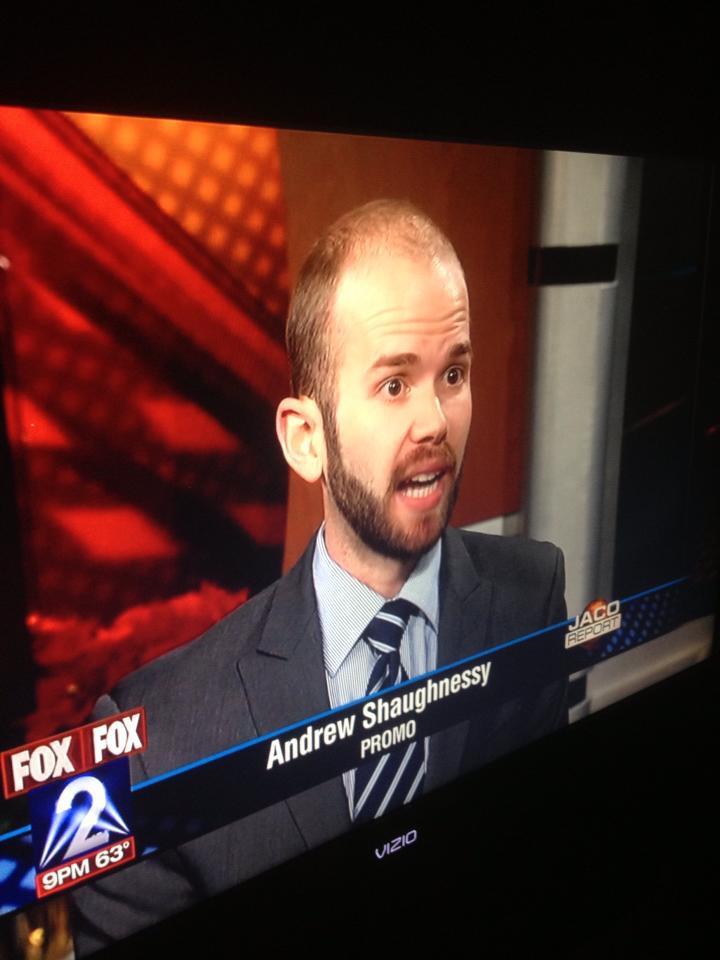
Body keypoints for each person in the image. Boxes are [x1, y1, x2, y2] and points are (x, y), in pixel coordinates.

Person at [71, 199, 567, 951]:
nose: (436, 421)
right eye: (394, 384)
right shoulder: (151, 741)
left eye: (453, 373)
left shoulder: (533, 592)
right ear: (307, 440)